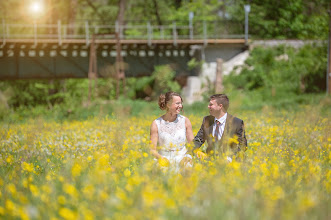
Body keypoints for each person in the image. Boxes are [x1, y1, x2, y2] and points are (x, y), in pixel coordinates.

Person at [193, 94, 247, 162]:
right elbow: (198, 140)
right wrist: (195, 151)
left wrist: (229, 158)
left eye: (211, 104)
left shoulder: (237, 123)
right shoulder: (207, 120)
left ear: (220, 106)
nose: (208, 106)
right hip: (209, 160)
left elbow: (243, 145)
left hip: (230, 162)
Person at [150, 91, 194, 172]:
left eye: (181, 103)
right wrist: (161, 158)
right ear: (168, 105)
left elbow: (193, 145)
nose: (180, 106)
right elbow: (152, 150)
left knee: (187, 169)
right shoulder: (156, 124)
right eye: (177, 103)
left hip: (182, 158)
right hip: (163, 158)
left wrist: (187, 156)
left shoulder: (185, 121)